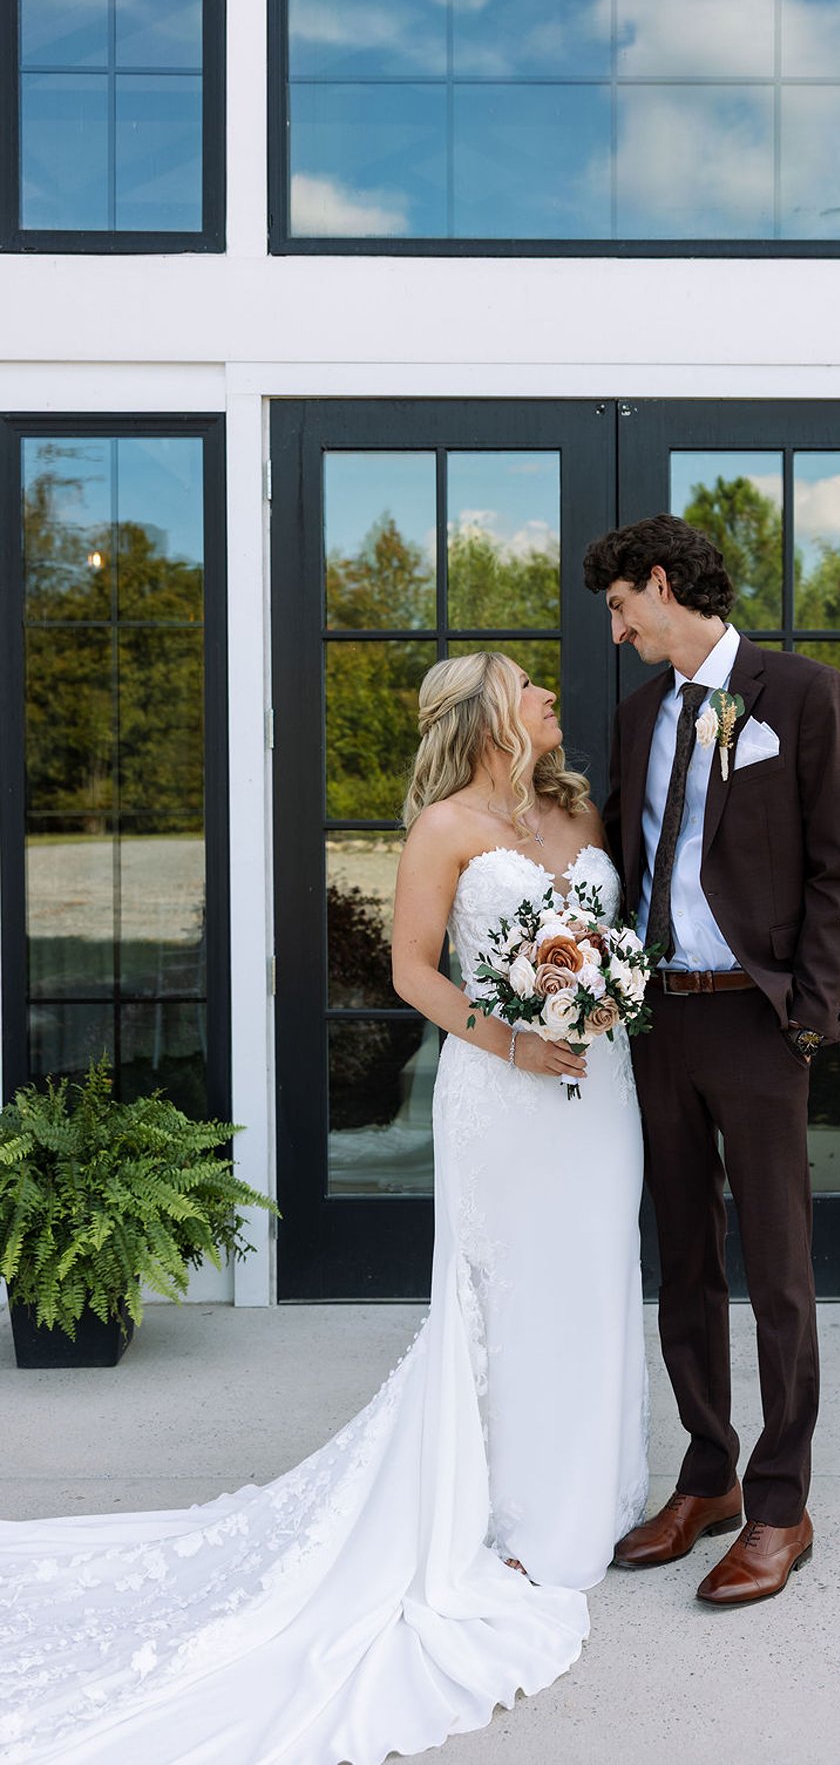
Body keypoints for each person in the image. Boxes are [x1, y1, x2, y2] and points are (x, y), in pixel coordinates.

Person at [0, 652, 647, 1763]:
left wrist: (597, 1005)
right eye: (529, 687)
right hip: (505, 1093)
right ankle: (521, 1520)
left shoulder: (575, 811)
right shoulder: (444, 828)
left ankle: (599, 1493)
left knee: (595, 1280)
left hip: (603, 1092)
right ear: (492, 715)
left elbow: (606, 945)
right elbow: (411, 972)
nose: (550, 698)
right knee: (517, 1291)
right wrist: (514, 1042)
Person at [584, 512, 840, 1608]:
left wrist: (806, 1017)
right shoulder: (637, 713)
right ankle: (705, 1475)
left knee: (779, 1274)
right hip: (657, 1021)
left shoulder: (800, 695)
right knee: (686, 1263)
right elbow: (618, 846)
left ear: (660, 583)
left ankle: (780, 1505)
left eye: (620, 607)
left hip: (757, 1022)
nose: (616, 631)